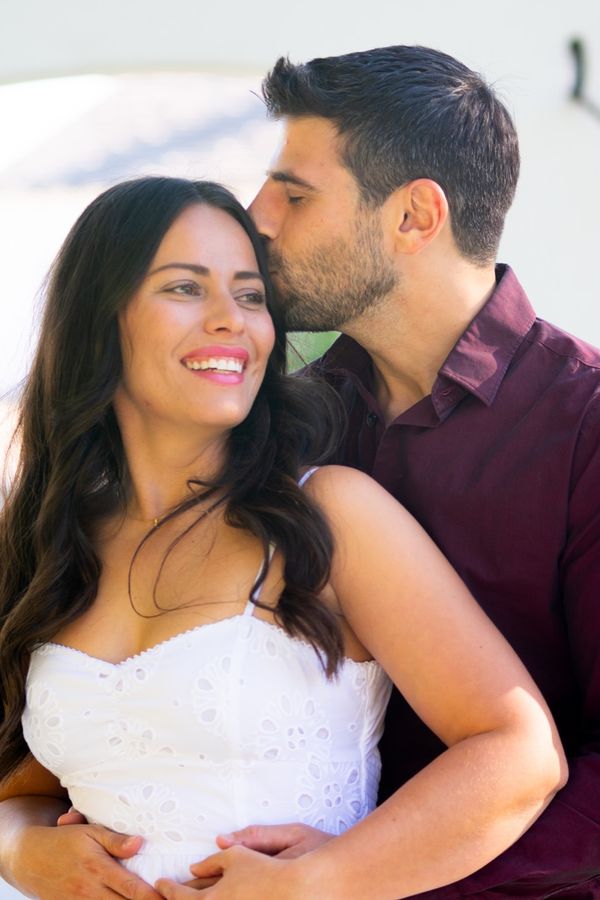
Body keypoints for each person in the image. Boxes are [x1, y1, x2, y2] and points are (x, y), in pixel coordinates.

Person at [0, 176, 565, 899]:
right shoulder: (48, 539)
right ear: (97, 320)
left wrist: (324, 879)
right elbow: (25, 784)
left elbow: (520, 754)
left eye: (251, 295)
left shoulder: (329, 515)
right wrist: (19, 848)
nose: (232, 320)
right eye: (185, 288)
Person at [196, 45, 600, 899]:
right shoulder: (281, 425)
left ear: (416, 216)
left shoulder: (586, 426)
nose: (257, 217)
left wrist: (370, 874)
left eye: (295, 194)